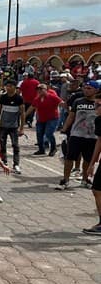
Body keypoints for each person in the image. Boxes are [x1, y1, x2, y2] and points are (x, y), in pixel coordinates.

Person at [57, 81, 99, 190]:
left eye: (89, 88)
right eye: (85, 88)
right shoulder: (78, 101)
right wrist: (64, 129)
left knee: (88, 160)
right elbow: (71, 116)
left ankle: (85, 180)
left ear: (96, 90)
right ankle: (65, 180)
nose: (86, 90)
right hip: (76, 134)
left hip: (92, 136)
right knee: (69, 158)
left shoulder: (98, 103)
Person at [0, 79, 25, 174]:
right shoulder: (3, 97)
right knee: (2, 145)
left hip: (14, 127)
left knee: (15, 145)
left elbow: (22, 113)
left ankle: (16, 164)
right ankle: (4, 162)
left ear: (15, 87)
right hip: (3, 126)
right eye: (7, 86)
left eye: (10, 86)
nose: (8, 88)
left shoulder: (19, 99)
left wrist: (22, 128)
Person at [25, 84, 62, 156]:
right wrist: (24, 116)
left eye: (41, 89)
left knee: (49, 133)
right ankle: (41, 149)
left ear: (46, 90)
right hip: (41, 119)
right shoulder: (37, 99)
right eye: (38, 89)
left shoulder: (52, 97)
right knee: (39, 134)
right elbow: (32, 107)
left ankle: (53, 148)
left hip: (52, 118)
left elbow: (61, 103)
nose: (39, 91)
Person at [83, 91, 101, 234]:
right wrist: (92, 163)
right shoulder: (99, 120)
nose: (96, 107)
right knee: (96, 190)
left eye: (99, 105)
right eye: (95, 104)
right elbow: (99, 142)